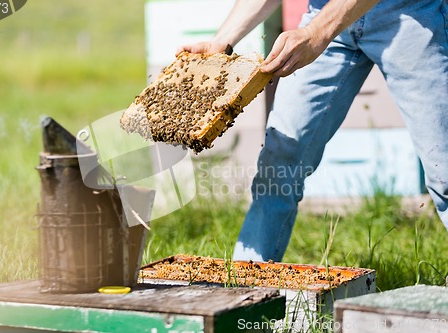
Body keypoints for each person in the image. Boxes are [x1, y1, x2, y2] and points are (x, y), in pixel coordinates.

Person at [178, 0, 448, 262]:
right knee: (278, 161)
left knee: (444, 171)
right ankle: (248, 287)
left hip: (409, 15)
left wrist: (317, 33)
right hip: (324, 10)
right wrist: (222, 42)